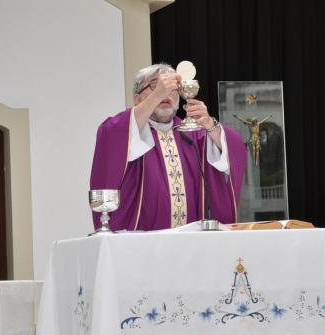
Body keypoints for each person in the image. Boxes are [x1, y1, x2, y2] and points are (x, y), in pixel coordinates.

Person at [90, 63, 246, 231]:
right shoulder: (127, 132)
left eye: (172, 88)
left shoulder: (192, 134)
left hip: (190, 244)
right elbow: (111, 134)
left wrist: (210, 124)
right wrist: (157, 96)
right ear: (138, 99)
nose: (165, 94)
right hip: (142, 243)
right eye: (155, 86)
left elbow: (233, 147)